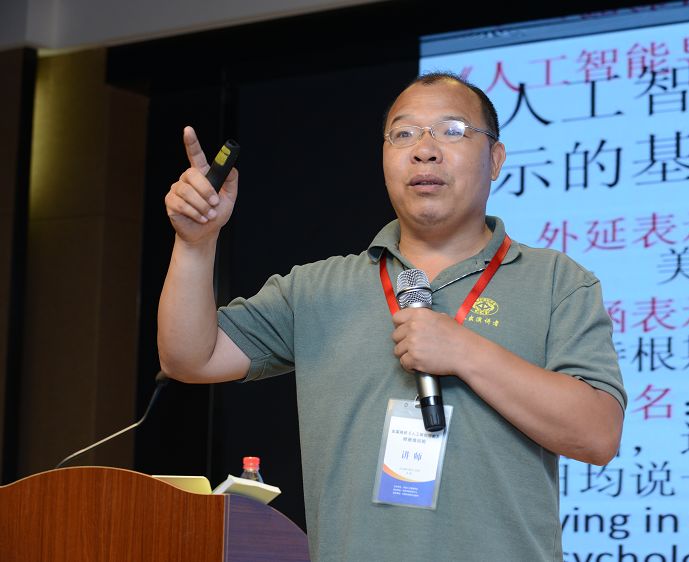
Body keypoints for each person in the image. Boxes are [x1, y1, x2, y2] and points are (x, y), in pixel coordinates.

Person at [158, 72, 626, 561]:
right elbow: (189, 358)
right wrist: (195, 244)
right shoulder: (316, 288)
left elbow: (598, 435)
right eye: (403, 134)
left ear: (495, 159)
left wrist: (466, 353)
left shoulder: (557, 281)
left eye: (452, 130)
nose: (424, 150)